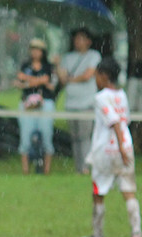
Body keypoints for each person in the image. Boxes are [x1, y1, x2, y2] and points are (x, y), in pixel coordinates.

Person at [80, 57, 141, 237]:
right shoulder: (122, 95)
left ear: (104, 76)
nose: (95, 80)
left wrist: (119, 146)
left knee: (98, 192)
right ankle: (136, 233)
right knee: (129, 190)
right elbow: (124, 121)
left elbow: (114, 121)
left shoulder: (101, 97)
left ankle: (98, 236)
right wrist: (124, 146)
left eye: (97, 75)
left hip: (106, 150)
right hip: (126, 147)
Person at [54, 27, 101, 174]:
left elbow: (87, 75)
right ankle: (78, 167)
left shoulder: (94, 56)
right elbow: (62, 79)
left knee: (85, 137)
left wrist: (71, 79)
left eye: (81, 38)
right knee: (75, 138)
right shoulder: (68, 58)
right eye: (76, 38)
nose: (77, 41)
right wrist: (58, 65)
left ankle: (86, 166)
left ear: (88, 41)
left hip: (86, 104)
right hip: (71, 104)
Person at [14, 38, 57, 175]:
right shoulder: (25, 65)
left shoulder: (48, 66)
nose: (35, 53)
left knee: (46, 134)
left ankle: (46, 170)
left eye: (38, 50)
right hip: (27, 103)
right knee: (25, 137)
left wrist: (28, 81)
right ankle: (26, 170)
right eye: (33, 49)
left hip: (45, 103)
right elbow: (19, 80)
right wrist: (38, 81)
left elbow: (48, 81)